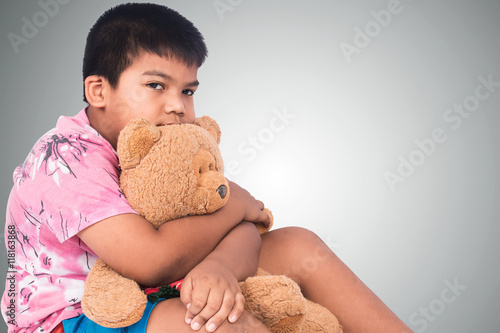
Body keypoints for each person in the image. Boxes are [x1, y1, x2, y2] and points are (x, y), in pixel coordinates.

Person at [1, 3, 413, 333]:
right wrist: (235, 202)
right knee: (214, 322)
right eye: (156, 85)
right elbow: (149, 260)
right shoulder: (64, 159)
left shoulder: (175, 144)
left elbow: (243, 229)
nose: (178, 105)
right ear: (99, 90)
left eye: (188, 90)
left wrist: (220, 266)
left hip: (156, 289)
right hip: (79, 315)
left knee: (298, 245)